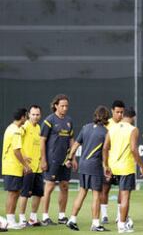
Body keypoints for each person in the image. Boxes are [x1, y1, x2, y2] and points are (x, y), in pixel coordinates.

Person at [66, 106, 111, 232]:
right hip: (94, 166)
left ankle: (72, 220)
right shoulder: (106, 132)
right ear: (106, 118)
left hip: (83, 164)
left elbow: (75, 144)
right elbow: (105, 152)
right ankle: (96, 224)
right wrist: (106, 167)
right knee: (96, 194)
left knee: (82, 192)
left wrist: (69, 158)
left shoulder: (86, 127)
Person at [103, 107, 143, 233]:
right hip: (126, 167)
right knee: (125, 196)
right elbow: (133, 149)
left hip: (113, 166)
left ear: (123, 115)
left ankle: (122, 220)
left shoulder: (112, 128)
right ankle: (121, 225)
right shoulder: (133, 129)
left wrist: (106, 165)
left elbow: (105, 147)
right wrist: (142, 166)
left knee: (114, 193)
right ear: (133, 117)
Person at [40, 94, 74, 225]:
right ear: (56, 106)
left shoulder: (69, 120)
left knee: (64, 186)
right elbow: (42, 141)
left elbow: (71, 140)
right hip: (52, 160)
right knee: (49, 187)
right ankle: (45, 217)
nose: (65, 108)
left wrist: (73, 158)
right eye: (62, 106)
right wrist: (43, 160)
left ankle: (61, 216)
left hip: (65, 161)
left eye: (66, 106)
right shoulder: (49, 120)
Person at [2, 108, 32, 229]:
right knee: (13, 194)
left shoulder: (11, 128)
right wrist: (25, 165)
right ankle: (10, 221)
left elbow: (15, 149)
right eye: (27, 116)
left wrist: (24, 158)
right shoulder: (16, 131)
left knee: (14, 193)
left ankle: (11, 220)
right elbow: (16, 151)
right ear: (23, 117)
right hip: (12, 167)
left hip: (11, 166)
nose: (28, 118)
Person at [18, 105, 43, 227]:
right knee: (25, 193)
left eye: (37, 114)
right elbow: (16, 142)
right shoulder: (24, 127)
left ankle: (33, 218)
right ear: (29, 115)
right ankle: (22, 218)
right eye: (33, 114)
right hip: (28, 167)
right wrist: (23, 158)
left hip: (38, 167)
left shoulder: (39, 127)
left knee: (38, 193)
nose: (35, 117)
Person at [100, 100, 125, 224]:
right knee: (105, 189)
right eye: (117, 112)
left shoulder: (126, 126)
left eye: (121, 112)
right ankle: (104, 215)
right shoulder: (106, 125)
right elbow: (103, 146)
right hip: (108, 164)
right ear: (112, 111)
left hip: (122, 164)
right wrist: (105, 164)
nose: (119, 114)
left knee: (122, 189)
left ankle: (119, 215)